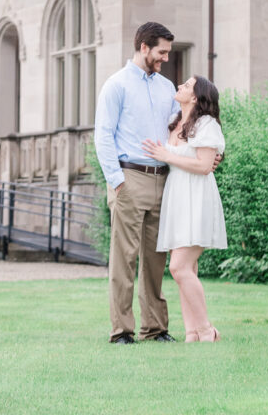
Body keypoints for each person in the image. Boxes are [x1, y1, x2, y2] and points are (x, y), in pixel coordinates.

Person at [94, 21, 179, 344]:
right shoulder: (116, 85)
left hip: (162, 179)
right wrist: (116, 181)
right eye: (161, 52)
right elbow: (102, 135)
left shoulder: (167, 87)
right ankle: (122, 330)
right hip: (128, 177)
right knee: (124, 258)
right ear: (144, 47)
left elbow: (178, 129)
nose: (165, 58)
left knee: (157, 259)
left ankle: (155, 328)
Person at [142, 76, 227, 343]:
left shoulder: (206, 124)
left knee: (179, 267)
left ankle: (206, 329)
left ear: (196, 97)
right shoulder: (174, 121)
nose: (180, 86)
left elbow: (204, 166)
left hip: (196, 195)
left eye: (187, 85)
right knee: (186, 268)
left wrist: (167, 156)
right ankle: (191, 333)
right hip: (177, 194)